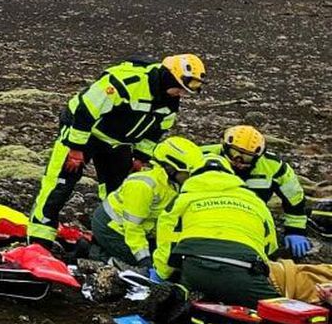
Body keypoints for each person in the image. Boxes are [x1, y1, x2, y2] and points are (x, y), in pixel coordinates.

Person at [27, 54, 205, 246]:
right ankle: (39, 241)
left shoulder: (169, 99)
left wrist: (140, 158)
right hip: (85, 132)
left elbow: (157, 130)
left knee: (117, 192)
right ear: (168, 77)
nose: (180, 94)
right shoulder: (126, 81)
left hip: (118, 142)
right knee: (60, 185)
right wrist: (76, 149)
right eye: (179, 88)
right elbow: (86, 111)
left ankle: (102, 241)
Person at [155, 156, 280, 305]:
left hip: (194, 268)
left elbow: (167, 239)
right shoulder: (255, 201)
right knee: (281, 310)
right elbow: (270, 243)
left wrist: (163, 273)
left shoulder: (183, 199)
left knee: (183, 294)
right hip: (243, 271)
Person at [89, 135, 204, 270]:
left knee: (168, 260)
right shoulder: (143, 186)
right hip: (112, 229)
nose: (191, 178)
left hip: (139, 229)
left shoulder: (174, 184)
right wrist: (144, 258)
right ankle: (96, 253)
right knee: (145, 264)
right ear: (170, 168)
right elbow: (133, 227)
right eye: (187, 174)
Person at [201, 125, 311, 259]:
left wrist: (296, 230)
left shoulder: (274, 167)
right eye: (235, 154)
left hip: (252, 219)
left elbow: (295, 199)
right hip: (208, 214)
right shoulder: (201, 156)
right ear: (224, 147)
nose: (239, 162)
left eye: (247, 158)